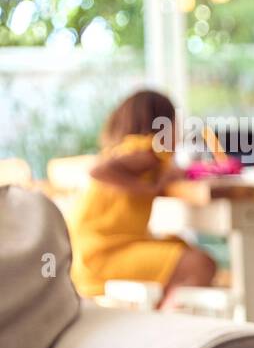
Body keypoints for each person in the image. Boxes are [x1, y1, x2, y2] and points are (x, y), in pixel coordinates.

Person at [67, 89, 217, 309]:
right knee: (199, 264)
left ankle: (161, 315)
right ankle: (166, 322)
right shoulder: (145, 149)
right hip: (101, 255)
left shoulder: (136, 153)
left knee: (186, 251)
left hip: (93, 252)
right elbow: (97, 170)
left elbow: (171, 171)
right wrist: (147, 189)